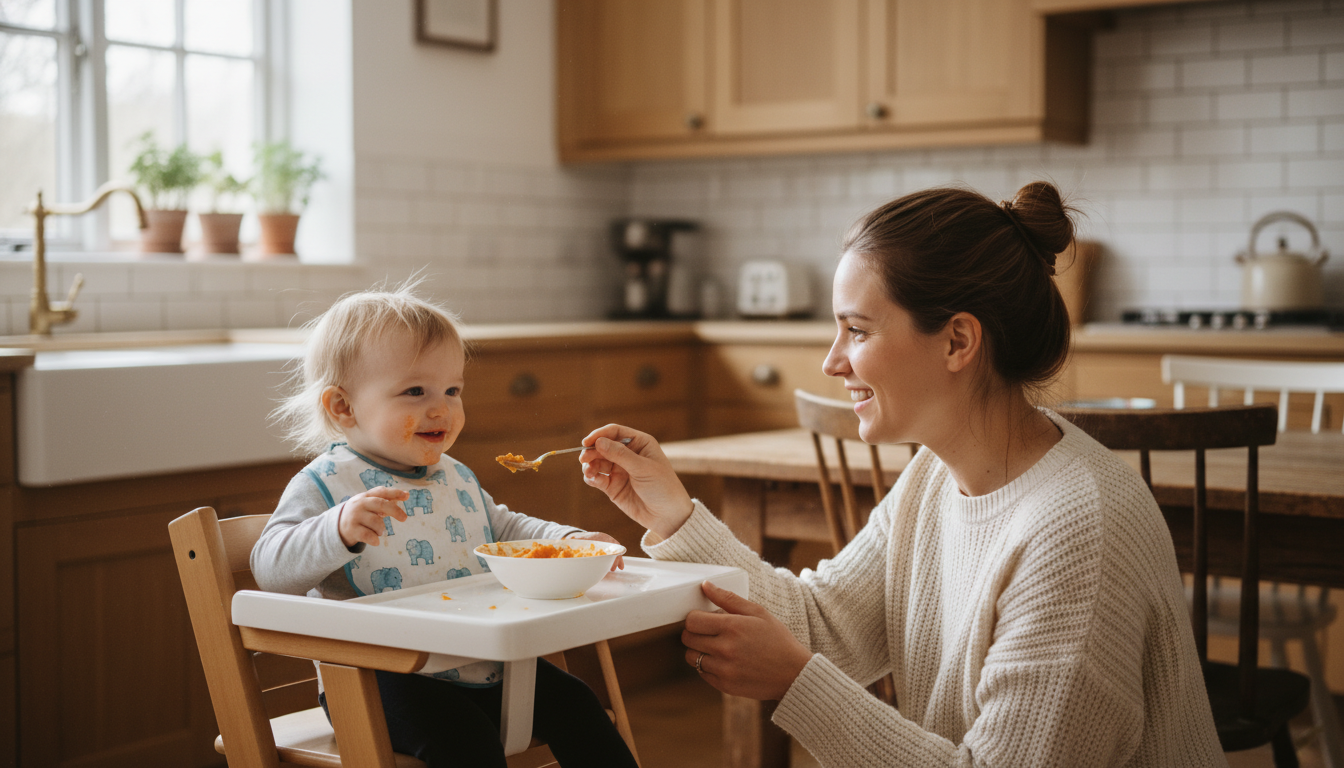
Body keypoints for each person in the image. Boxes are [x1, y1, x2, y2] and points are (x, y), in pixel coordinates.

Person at [579, 182, 1227, 767]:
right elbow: (821, 625)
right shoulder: (933, 478)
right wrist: (675, 515)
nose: (833, 362)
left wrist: (795, 680)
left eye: (857, 331)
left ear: (957, 342)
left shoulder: (1080, 527)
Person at [251, 284, 639, 768]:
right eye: (415, 391)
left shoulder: (453, 476)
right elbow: (269, 568)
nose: (442, 408)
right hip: (380, 680)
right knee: (465, 743)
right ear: (343, 408)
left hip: (484, 663)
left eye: (452, 390)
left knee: (577, 704)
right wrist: (337, 530)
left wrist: (568, 540)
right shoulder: (327, 485)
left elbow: (503, 526)